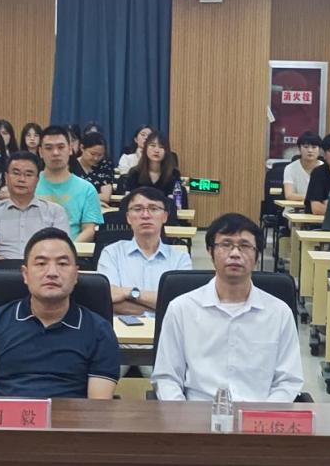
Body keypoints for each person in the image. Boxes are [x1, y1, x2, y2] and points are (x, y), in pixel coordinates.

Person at [152, 213, 303, 402]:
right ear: (210, 252)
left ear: (257, 256)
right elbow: (167, 378)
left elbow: (288, 381)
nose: (235, 254)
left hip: (258, 414)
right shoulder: (182, 309)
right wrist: (183, 415)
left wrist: (263, 415)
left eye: (245, 246)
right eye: (226, 244)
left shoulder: (279, 313)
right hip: (197, 413)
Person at [0, 227, 120, 399]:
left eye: (62, 264)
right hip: (8, 415)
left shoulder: (100, 331)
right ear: (25, 274)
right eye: (41, 264)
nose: (52, 273)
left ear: (76, 274)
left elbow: (98, 406)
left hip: (73, 415)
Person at [97, 187, 193, 316]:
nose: (146, 215)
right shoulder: (111, 253)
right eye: (138, 209)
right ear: (128, 217)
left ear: (165, 217)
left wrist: (130, 293)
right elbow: (109, 300)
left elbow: (181, 303)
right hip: (123, 328)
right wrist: (159, 309)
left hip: (166, 328)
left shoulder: (180, 258)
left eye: (153, 209)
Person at [0, 151, 70, 260]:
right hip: (1, 269)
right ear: (6, 177)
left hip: (42, 269)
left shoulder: (56, 212)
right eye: (16, 173)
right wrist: (14, 268)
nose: (21, 179)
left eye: (28, 175)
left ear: (37, 180)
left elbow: (61, 251)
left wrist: (33, 268)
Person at [35, 125, 104, 242]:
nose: (55, 153)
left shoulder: (86, 189)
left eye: (61, 147)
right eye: (49, 148)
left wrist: (68, 248)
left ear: (71, 149)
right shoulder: (29, 185)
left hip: (72, 250)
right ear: (40, 152)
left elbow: (89, 230)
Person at [119, 131, 187, 208]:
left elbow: (174, 203)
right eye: (152, 145)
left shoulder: (174, 174)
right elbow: (128, 202)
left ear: (166, 151)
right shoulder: (134, 172)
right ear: (145, 149)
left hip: (164, 213)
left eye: (161, 147)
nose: (156, 150)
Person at [75, 132, 116, 204]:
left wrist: (80, 197)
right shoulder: (71, 165)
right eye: (92, 154)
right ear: (82, 148)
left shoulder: (105, 165)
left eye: (100, 155)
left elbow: (105, 197)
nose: (96, 158)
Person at [282, 131, 322, 202]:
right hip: (294, 208)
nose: (310, 150)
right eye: (306, 147)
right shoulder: (290, 168)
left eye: (314, 147)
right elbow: (289, 195)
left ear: (319, 150)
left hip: (318, 208)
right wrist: (313, 197)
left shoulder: (326, 168)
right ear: (299, 149)